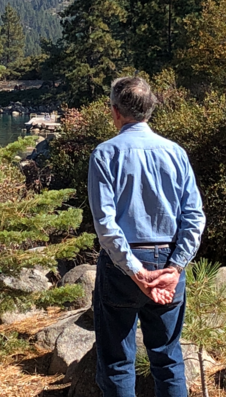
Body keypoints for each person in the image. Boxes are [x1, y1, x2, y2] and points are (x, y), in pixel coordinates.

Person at [88, 76, 205, 397]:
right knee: (168, 358)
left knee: (116, 361)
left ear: (115, 112)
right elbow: (194, 217)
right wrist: (175, 268)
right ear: (150, 110)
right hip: (169, 263)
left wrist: (135, 271)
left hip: (122, 269)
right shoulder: (176, 153)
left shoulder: (104, 154)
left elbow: (105, 223)